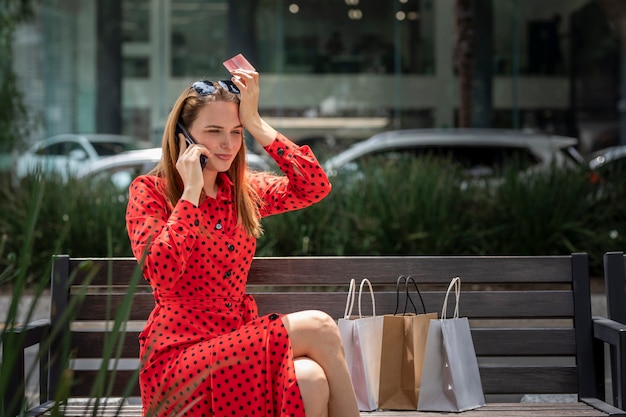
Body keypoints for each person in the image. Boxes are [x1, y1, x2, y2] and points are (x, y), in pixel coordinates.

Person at [125, 68, 360, 417]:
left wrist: (256, 122)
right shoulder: (151, 192)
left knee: (310, 379)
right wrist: (189, 193)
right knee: (321, 327)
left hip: (238, 348)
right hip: (180, 361)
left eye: (236, 132)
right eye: (214, 131)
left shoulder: (242, 193)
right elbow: (160, 269)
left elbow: (314, 185)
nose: (228, 144)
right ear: (182, 138)